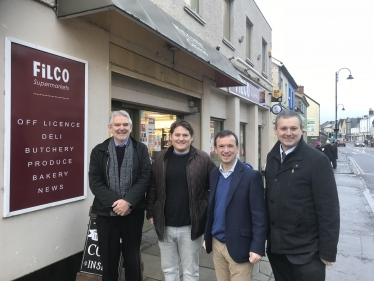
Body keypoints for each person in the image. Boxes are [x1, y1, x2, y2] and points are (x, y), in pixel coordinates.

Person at [265, 110, 340, 281]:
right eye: (283, 128)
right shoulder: (272, 156)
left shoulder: (317, 160)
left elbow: (329, 209)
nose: (288, 133)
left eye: (293, 128)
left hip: (307, 251)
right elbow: (269, 199)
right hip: (278, 249)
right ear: (276, 130)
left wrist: (328, 251)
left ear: (302, 129)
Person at [146, 120, 216, 281]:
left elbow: (215, 187)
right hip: (165, 224)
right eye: (177, 135)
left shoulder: (203, 159)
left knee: (191, 271)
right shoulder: (160, 158)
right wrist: (150, 213)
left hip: (191, 225)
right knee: (169, 269)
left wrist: (207, 212)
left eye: (185, 135)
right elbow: (153, 187)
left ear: (192, 138)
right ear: (170, 137)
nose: (181, 138)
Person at [89, 110, 151, 281]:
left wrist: (128, 202)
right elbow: (95, 182)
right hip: (106, 215)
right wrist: (117, 203)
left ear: (130, 128)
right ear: (110, 128)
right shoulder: (98, 151)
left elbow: (145, 178)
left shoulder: (141, 149)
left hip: (133, 213)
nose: (121, 128)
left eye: (125, 125)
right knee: (108, 261)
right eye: (117, 125)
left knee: (132, 260)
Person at [204, 130, 267, 281]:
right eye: (222, 146)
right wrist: (207, 236)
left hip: (240, 246)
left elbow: (259, 215)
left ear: (238, 148)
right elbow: (212, 209)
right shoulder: (213, 175)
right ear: (216, 149)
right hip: (217, 243)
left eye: (230, 146)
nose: (226, 150)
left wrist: (257, 247)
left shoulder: (251, 176)